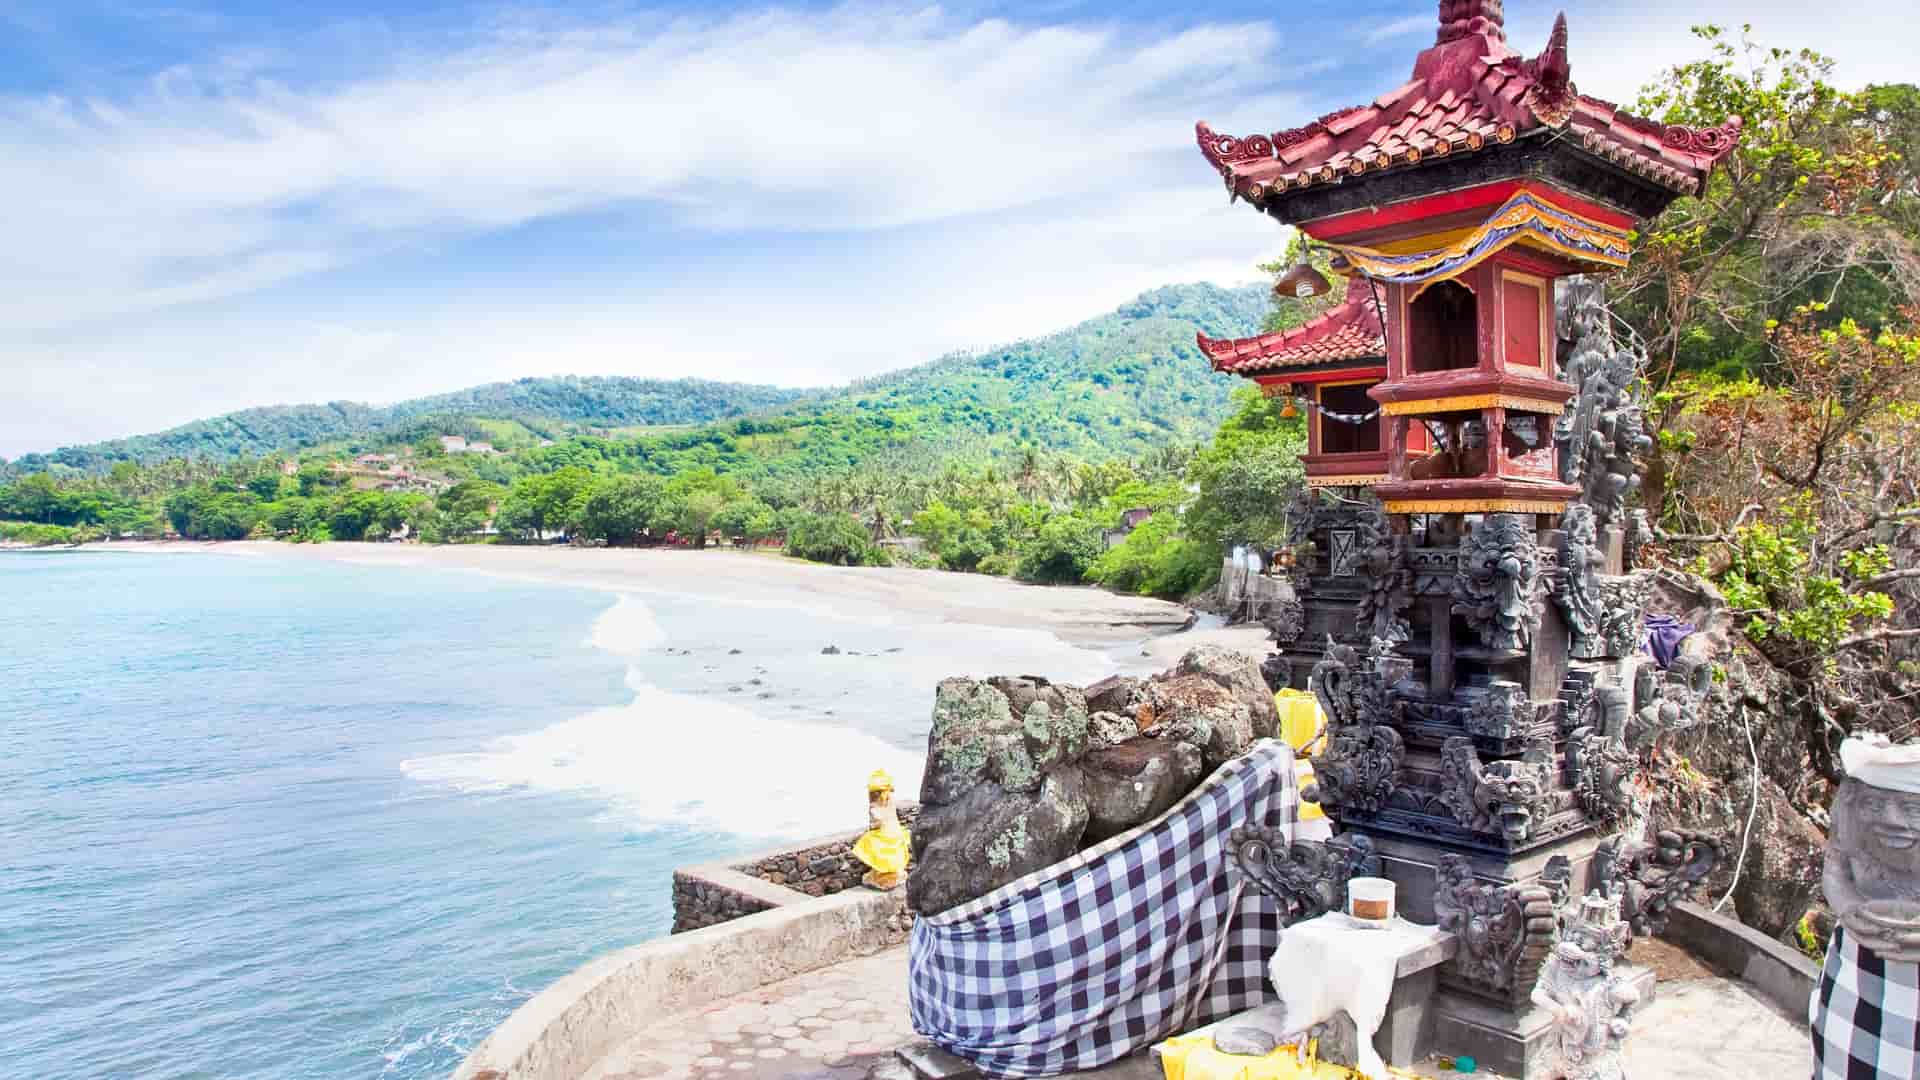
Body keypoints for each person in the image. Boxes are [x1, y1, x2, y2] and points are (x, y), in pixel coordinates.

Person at [853, 768, 911, 889]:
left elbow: (877, 823)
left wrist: (872, 825)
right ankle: (892, 873)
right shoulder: (891, 801)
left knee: (867, 841)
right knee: (890, 852)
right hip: (896, 833)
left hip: (885, 835)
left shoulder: (874, 806)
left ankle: (882, 874)